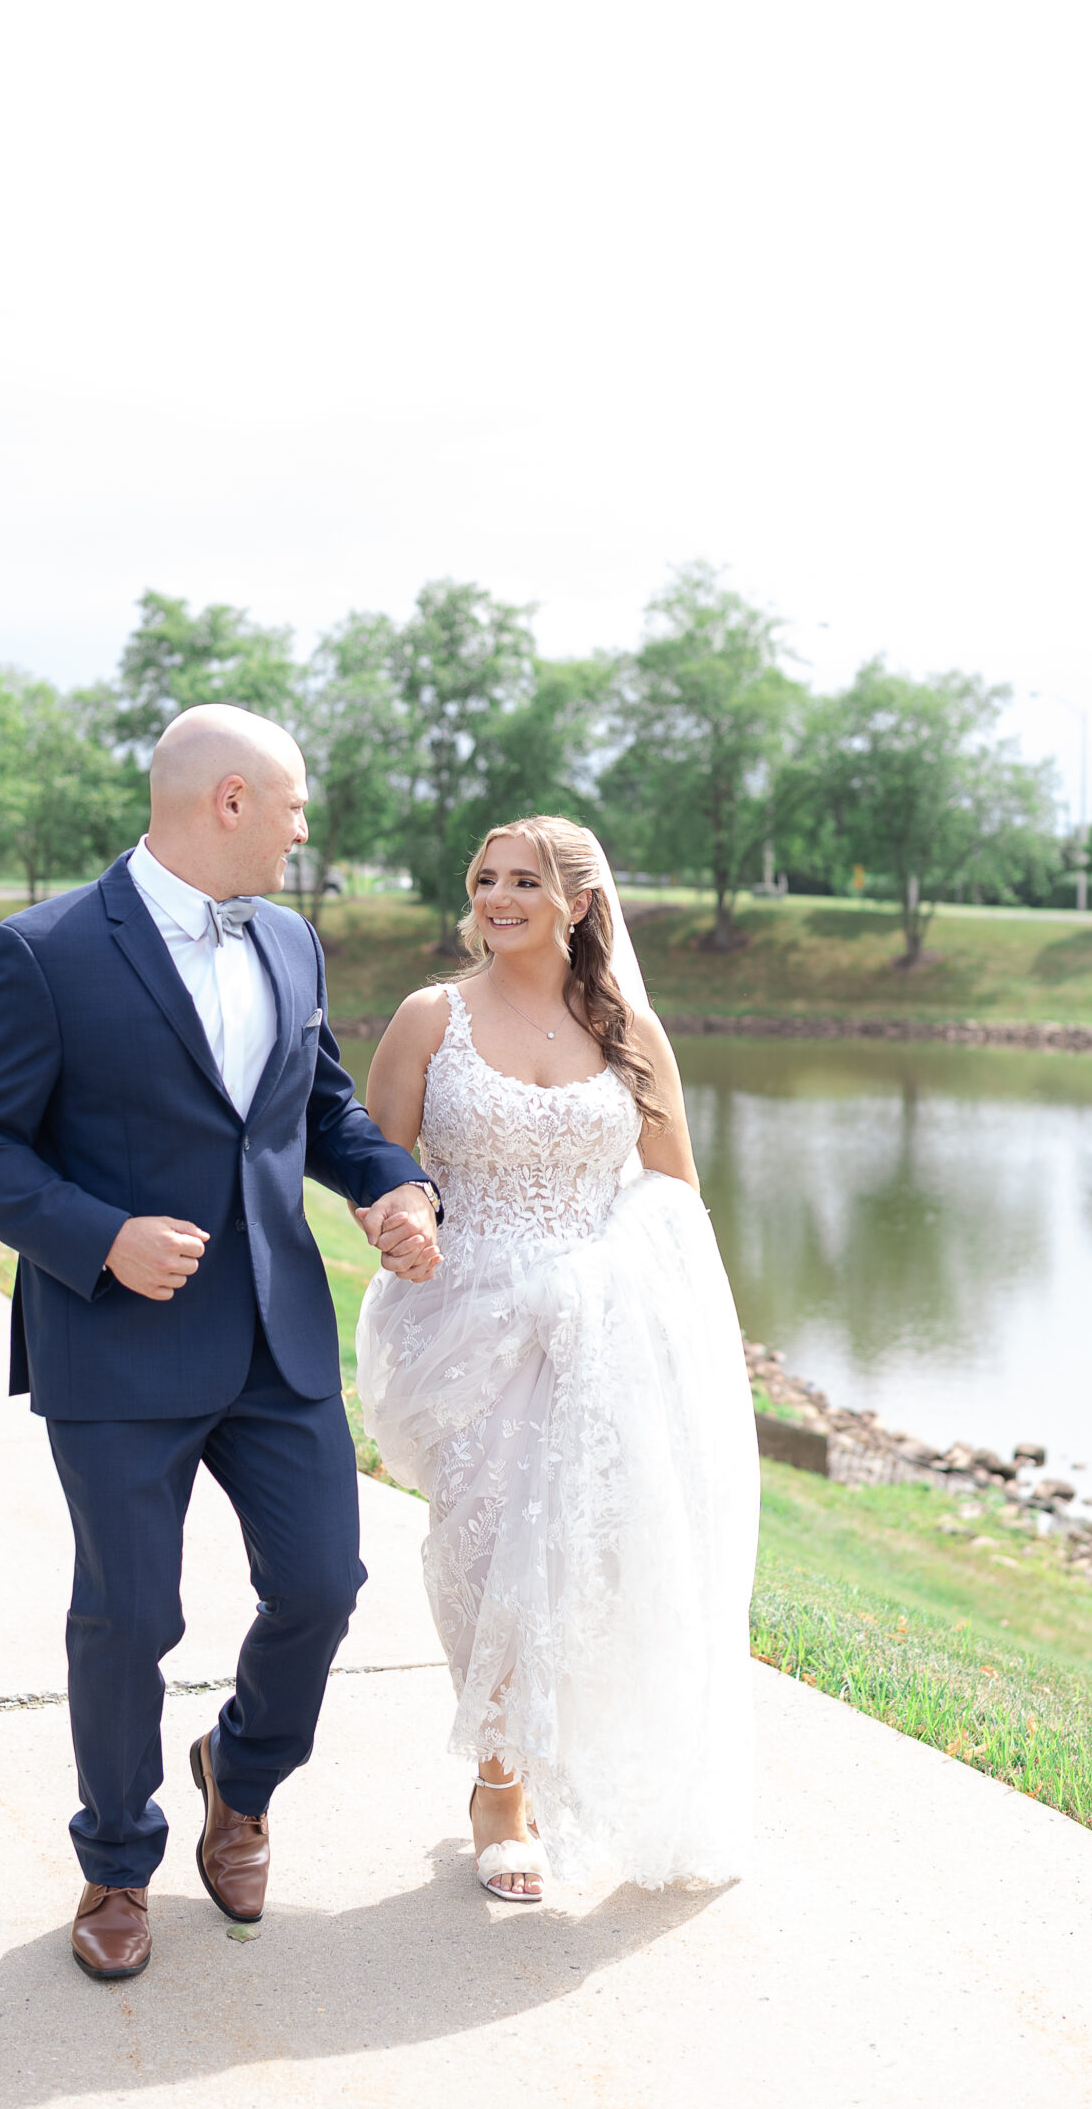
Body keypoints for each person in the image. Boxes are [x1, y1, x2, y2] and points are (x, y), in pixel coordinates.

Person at [0, 705, 440, 1981]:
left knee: (325, 1585)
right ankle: (115, 1864)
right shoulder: (41, 952)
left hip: (276, 1339)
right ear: (228, 800)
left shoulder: (288, 941)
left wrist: (388, 1183)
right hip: (115, 1346)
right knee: (127, 1617)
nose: (304, 831)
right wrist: (99, 1235)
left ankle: (244, 1771)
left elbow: (312, 1104)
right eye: (294, 808)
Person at [356, 815, 758, 1901]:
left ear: (576, 903)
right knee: (486, 1552)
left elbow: (671, 1189)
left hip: (599, 1326)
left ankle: (562, 1769)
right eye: (485, 878)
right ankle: (497, 1788)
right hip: (463, 1322)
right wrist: (396, 1217)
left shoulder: (624, 1028)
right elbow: (374, 1156)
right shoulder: (429, 1016)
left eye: (524, 880)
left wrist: (607, 1281)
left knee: (588, 1558)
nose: (497, 896)